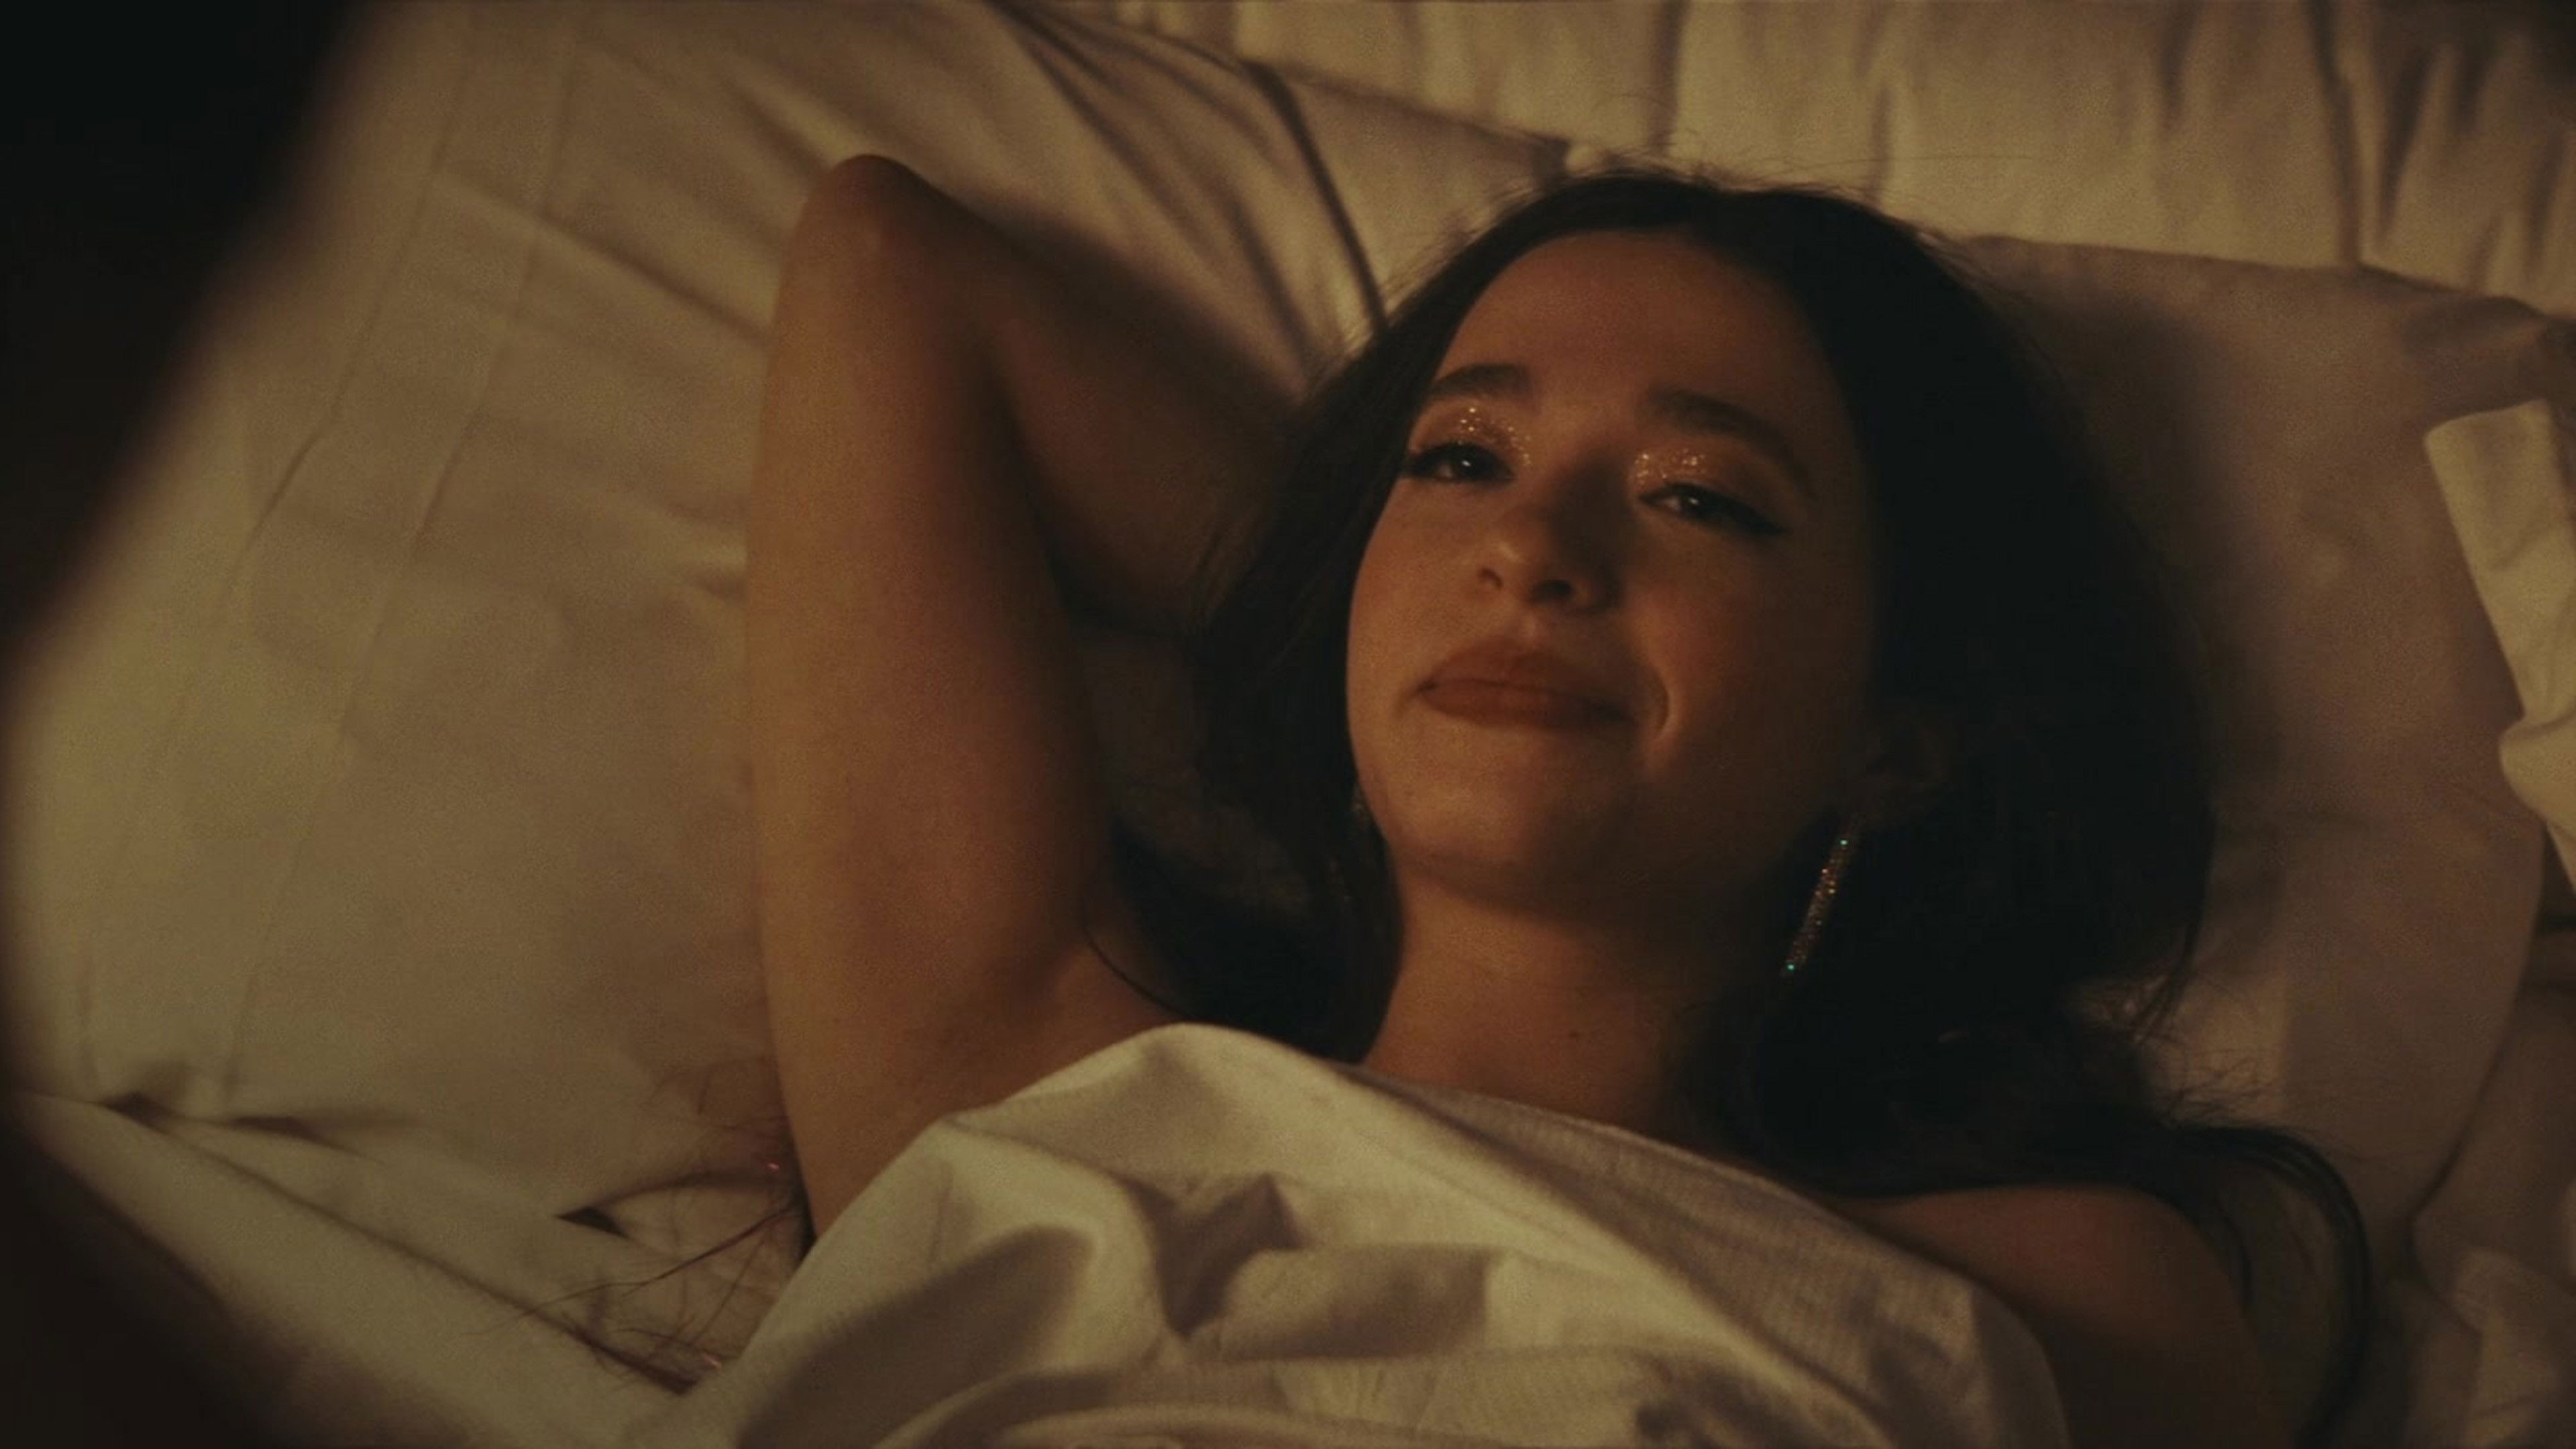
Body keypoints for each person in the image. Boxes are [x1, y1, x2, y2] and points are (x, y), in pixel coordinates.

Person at [746, 154, 2368, 1447]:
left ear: (1891, 741)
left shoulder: (2065, 1296)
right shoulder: (1031, 1090)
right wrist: (1342, 630)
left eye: (1700, 498)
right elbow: (890, 266)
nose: (1529, 548)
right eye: (1460, 461)